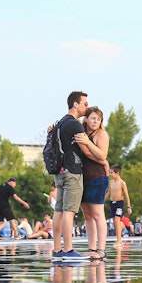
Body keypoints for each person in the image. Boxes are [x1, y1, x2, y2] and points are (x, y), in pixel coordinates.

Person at [51, 91, 90, 261]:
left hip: (59, 172)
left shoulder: (59, 123)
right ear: (75, 104)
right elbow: (85, 149)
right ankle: (68, 250)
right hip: (72, 171)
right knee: (69, 212)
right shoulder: (75, 125)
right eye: (85, 103)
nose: (86, 107)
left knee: (58, 211)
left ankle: (57, 250)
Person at [76, 107, 110, 261]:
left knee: (97, 214)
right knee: (87, 215)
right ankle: (91, 248)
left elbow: (102, 154)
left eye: (98, 119)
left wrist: (88, 144)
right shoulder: (81, 131)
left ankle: (101, 249)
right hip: (83, 178)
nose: (95, 121)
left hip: (97, 177)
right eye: (93, 118)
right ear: (86, 119)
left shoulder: (101, 134)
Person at [106, 165, 131, 250]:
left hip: (119, 204)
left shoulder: (122, 183)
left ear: (117, 173)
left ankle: (119, 240)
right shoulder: (111, 182)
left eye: (111, 172)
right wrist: (101, 201)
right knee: (115, 222)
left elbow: (126, 195)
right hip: (112, 203)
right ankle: (120, 232)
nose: (110, 174)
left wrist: (129, 206)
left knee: (117, 220)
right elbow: (109, 193)